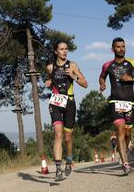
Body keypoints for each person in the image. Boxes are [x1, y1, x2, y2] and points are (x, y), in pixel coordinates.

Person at [99, 37, 134, 175]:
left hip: (130, 102)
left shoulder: (132, 63)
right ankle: (125, 164)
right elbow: (102, 76)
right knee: (120, 131)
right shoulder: (107, 65)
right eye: (118, 47)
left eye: (123, 46)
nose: (121, 49)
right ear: (113, 49)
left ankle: (125, 151)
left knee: (128, 134)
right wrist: (102, 84)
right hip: (115, 102)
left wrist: (132, 78)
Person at [45, 40, 88, 181]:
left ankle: (69, 160)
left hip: (69, 103)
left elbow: (85, 84)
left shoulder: (72, 65)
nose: (65, 51)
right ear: (56, 51)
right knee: (58, 134)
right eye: (62, 49)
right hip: (56, 103)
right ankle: (58, 169)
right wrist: (48, 83)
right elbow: (49, 80)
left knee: (68, 137)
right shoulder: (50, 68)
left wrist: (73, 76)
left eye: (66, 49)